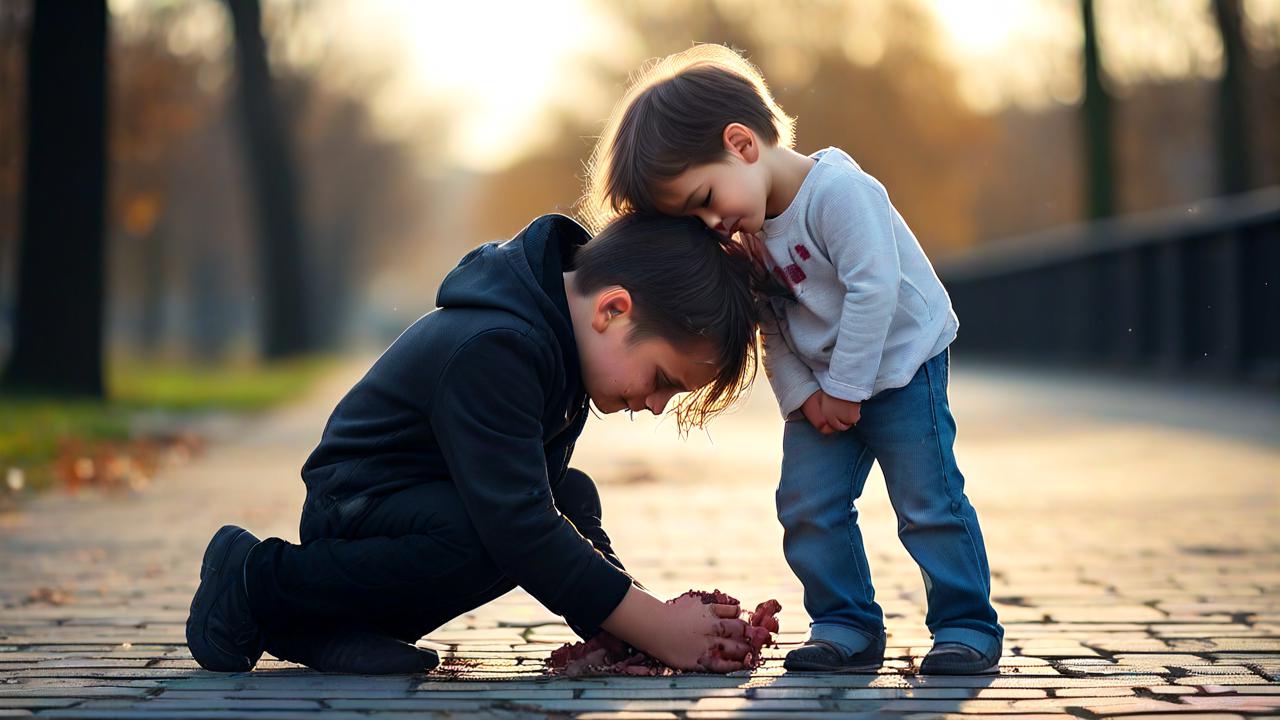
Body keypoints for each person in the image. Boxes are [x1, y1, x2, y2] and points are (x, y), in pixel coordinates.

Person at [581, 44, 1003, 675]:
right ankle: (847, 624)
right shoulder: (746, 232)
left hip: (901, 367)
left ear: (742, 144)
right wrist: (804, 396)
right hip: (826, 386)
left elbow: (873, 289)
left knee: (928, 502)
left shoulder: (839, 192)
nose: (711, 221)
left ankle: (967, 626)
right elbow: (772, 325)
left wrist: (848, 389)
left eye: (704, 196)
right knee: (807, 504)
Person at [186, 213, 761, 674]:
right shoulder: (498, 348)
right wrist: (658, 627)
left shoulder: (558, 347)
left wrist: (633, 626)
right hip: (360, 505)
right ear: (613, 309)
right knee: (494, 532)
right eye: (663, 380)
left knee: (571, 497)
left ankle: (324, 627)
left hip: (426, 505)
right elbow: (519, 524)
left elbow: (537, 510)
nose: (657, 405)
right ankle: (254, 577)